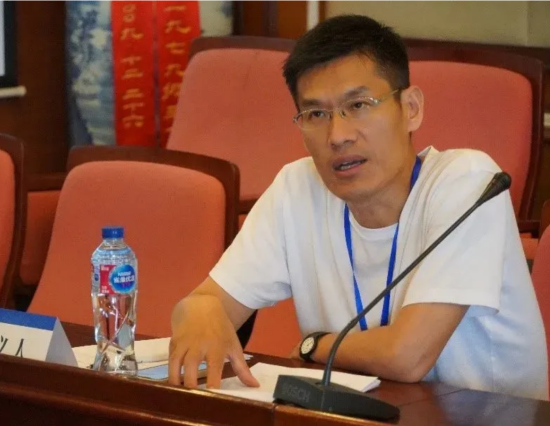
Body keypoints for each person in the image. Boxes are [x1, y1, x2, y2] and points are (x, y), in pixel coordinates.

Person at [168, 14, 548, 400]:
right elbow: (203, 303)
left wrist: (313, 346)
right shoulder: (297, 188)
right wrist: (200, 310)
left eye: (359, 105)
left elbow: (407, 356)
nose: (338, 136)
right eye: (316, 114)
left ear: (411, 108)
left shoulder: (468, 181)